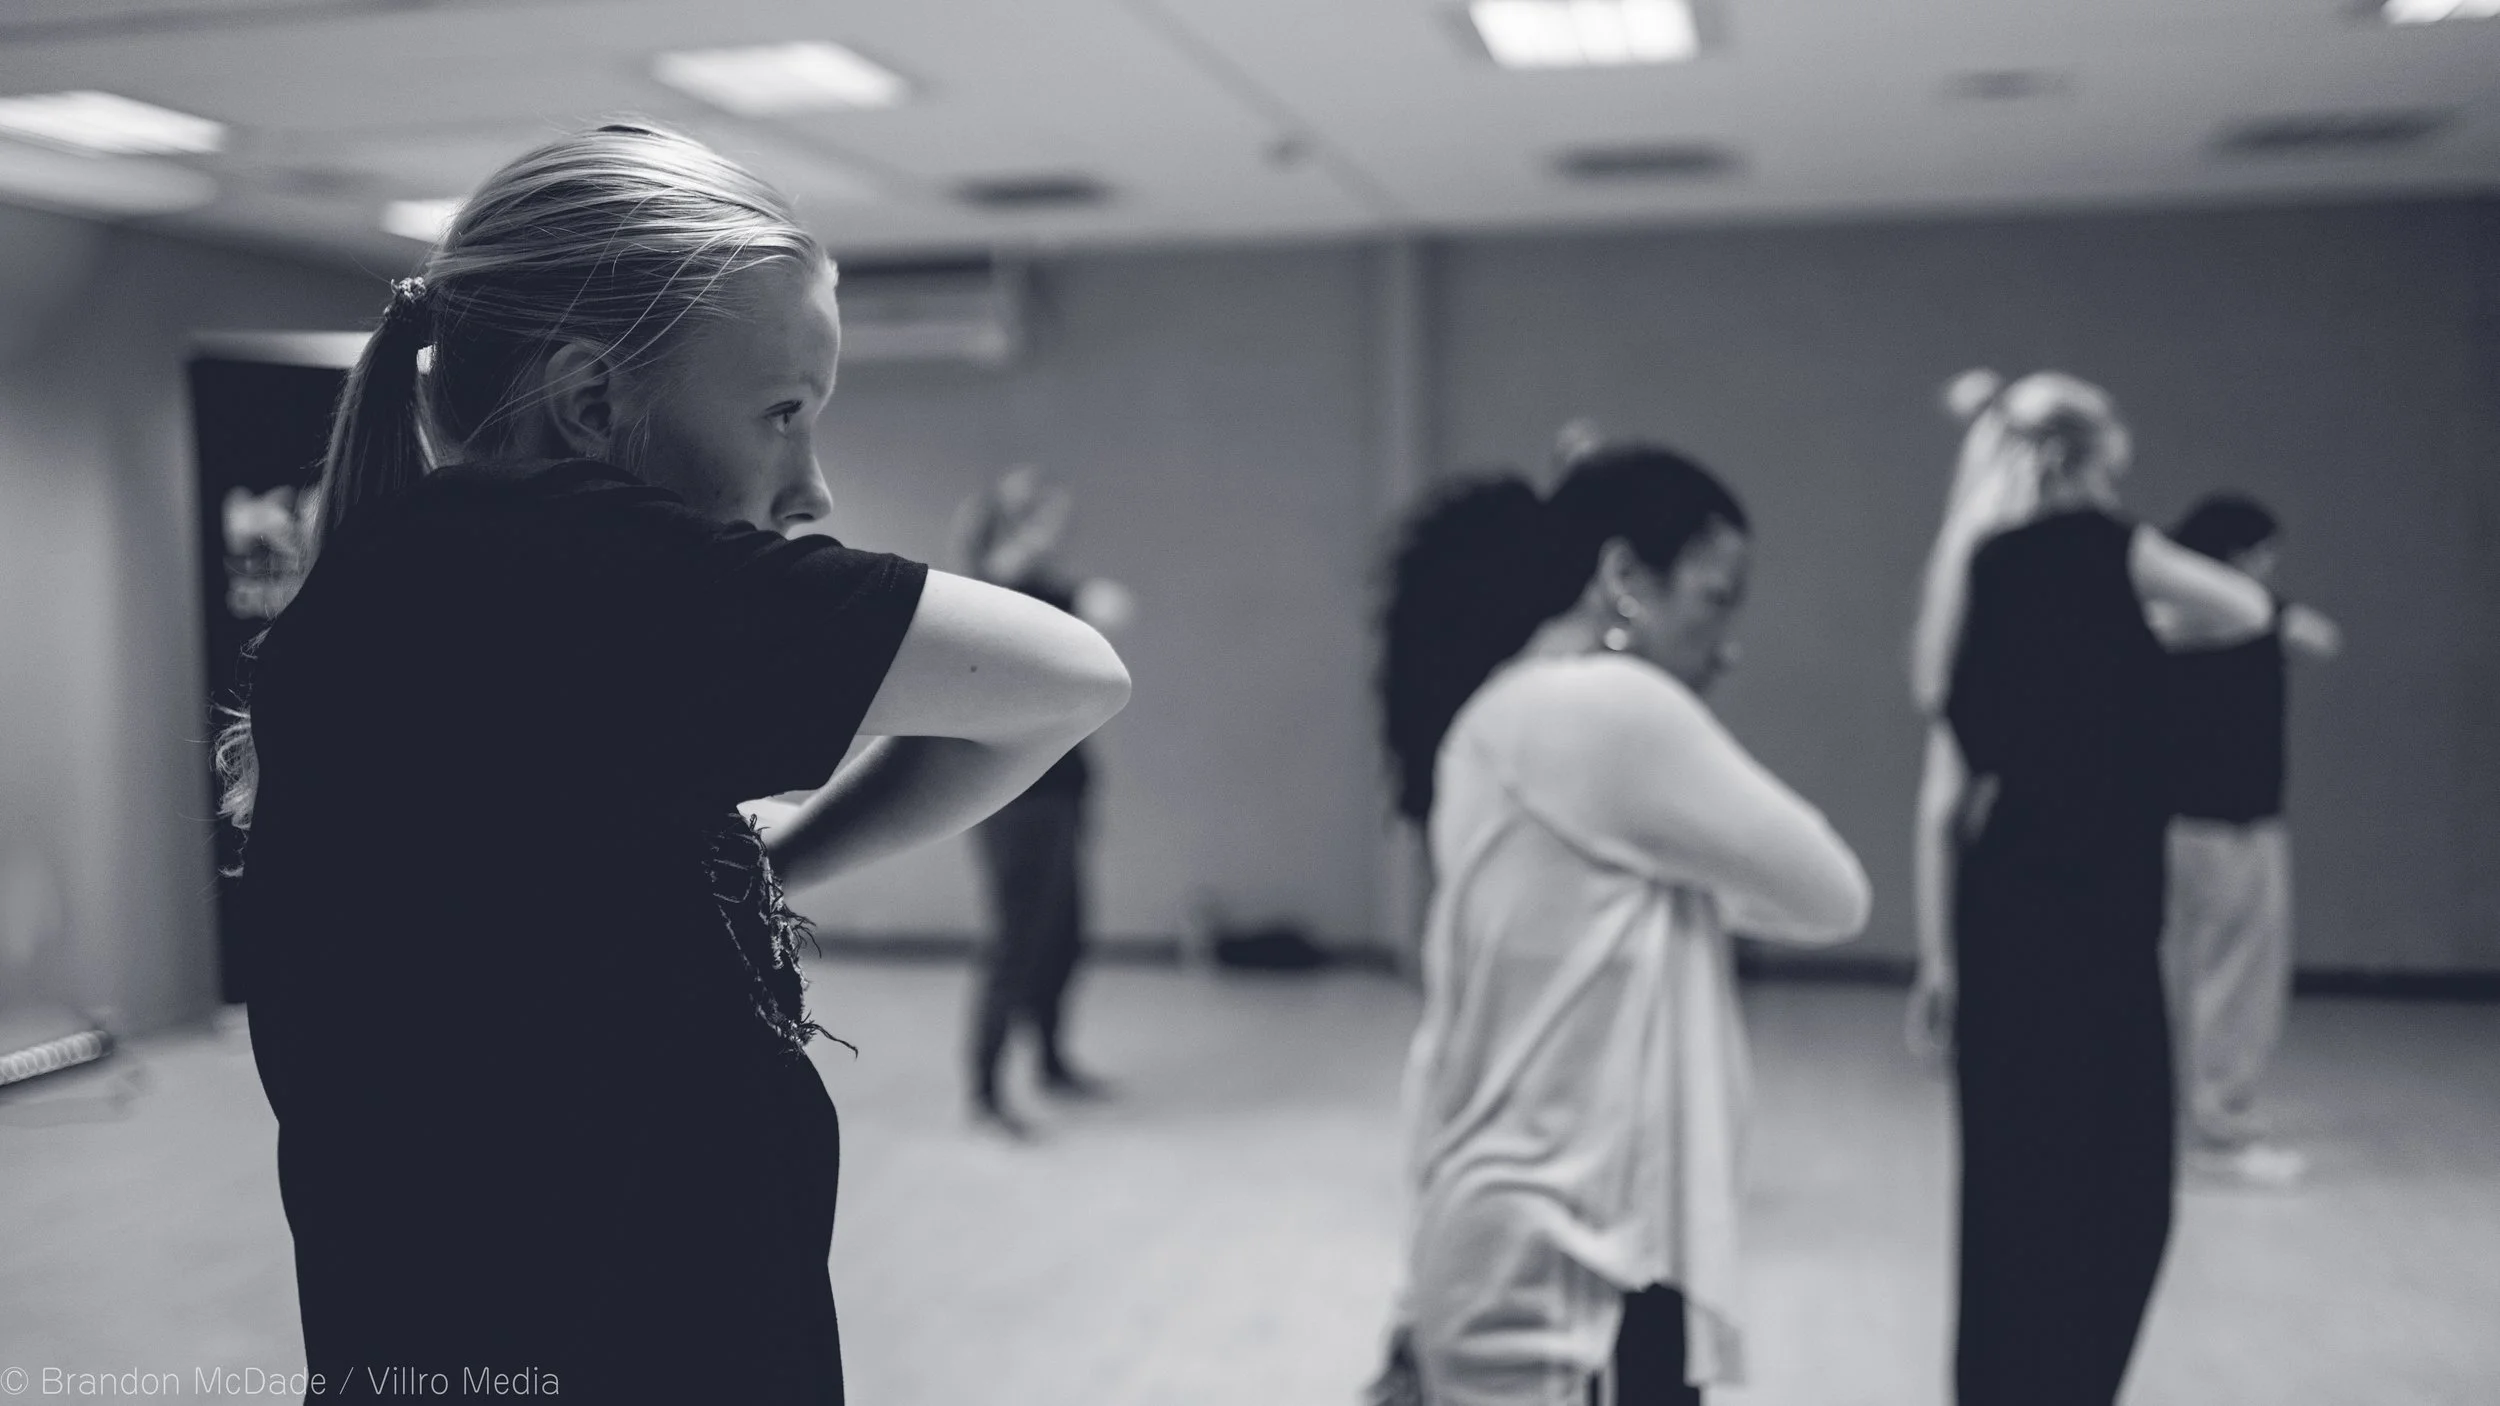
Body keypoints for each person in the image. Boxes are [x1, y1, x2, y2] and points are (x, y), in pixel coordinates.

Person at [215, 124, 1129, 1403]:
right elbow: (1070, 678)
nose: (808, 486)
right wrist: (797, 856)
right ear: (593, 403)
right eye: (781, 414)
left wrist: (772, 861)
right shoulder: (559, 570)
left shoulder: (434, 578)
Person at [1374, 444, 1872, 1406]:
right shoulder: (1603, 707)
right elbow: (1831, 894)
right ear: (1623, 579)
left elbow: (1445, 1046)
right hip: (1562, 1258)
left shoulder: (1498, 716)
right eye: (1716, 599)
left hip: (1515, 1237)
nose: (1728, 645)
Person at [1905, 370, 2276, 1405]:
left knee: (2011, 1197)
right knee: (2125, 1201)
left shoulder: (1969, 577)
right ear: (2083, 461)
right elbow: (2245, 606)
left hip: (1999, 917)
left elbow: (1943, 803)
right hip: (2100, 929)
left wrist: (1937, 960)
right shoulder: (2110, 551)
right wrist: (2141, 631)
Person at [950, 465, 1136, 1138]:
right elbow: (1072, 602)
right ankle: (986, 1089)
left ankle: (1052, 1060)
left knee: (1063, 935)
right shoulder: (991, 595)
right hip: (1011, 801)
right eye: (1035, 518)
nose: (1049, 532)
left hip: (1061, 790)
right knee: (1016, 939)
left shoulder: (1035, 589)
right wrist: (1081, 594)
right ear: (1006, 524)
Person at [2161, 493, 2341, 1188]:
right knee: (2230, 977)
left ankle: (2204, 1112)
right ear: (2237, 555)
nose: (2271, 569)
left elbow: (2319, 637)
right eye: (2263, 554)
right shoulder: (2204, 617)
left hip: (2223, 820)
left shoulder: (2250, 616)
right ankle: (2214, 1125)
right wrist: (2262, 612)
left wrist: (2265, 611)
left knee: (2217, 974)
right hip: (2216, 824)